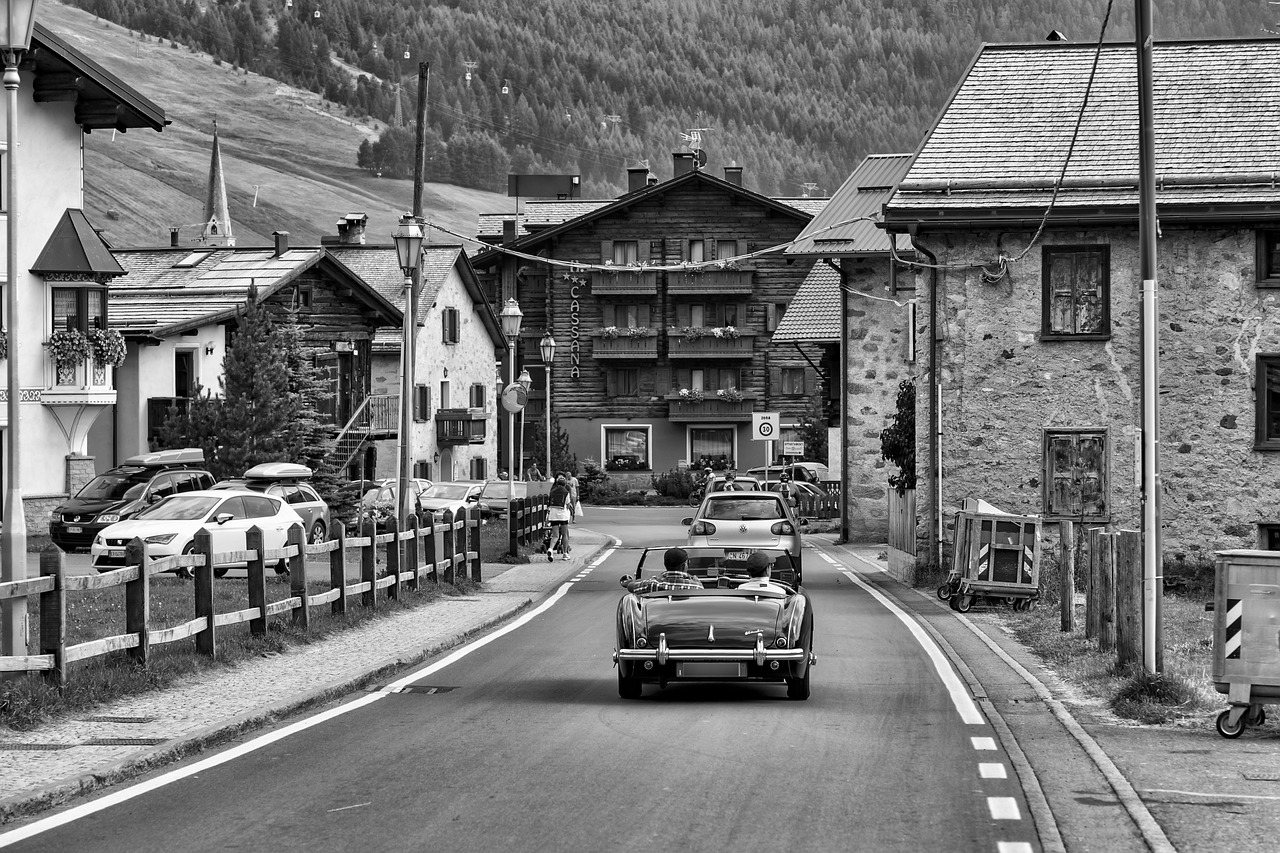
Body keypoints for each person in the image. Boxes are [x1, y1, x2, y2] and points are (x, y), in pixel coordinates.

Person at [621, 547, 704, 593]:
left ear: (665, 564)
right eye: (687, 562)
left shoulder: (652, 584)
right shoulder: (696, 586)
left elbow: (630, 587)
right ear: (683, 566)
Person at [547, 475, 572, 561]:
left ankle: (550, 549)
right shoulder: (566, 492)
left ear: (557, 484)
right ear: (565, 484)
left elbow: (549, 503)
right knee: (564, 535)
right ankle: (565, 553)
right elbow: (568, 504)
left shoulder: (552, 491)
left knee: (555, 535)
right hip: (562, 515)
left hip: (553, 515)